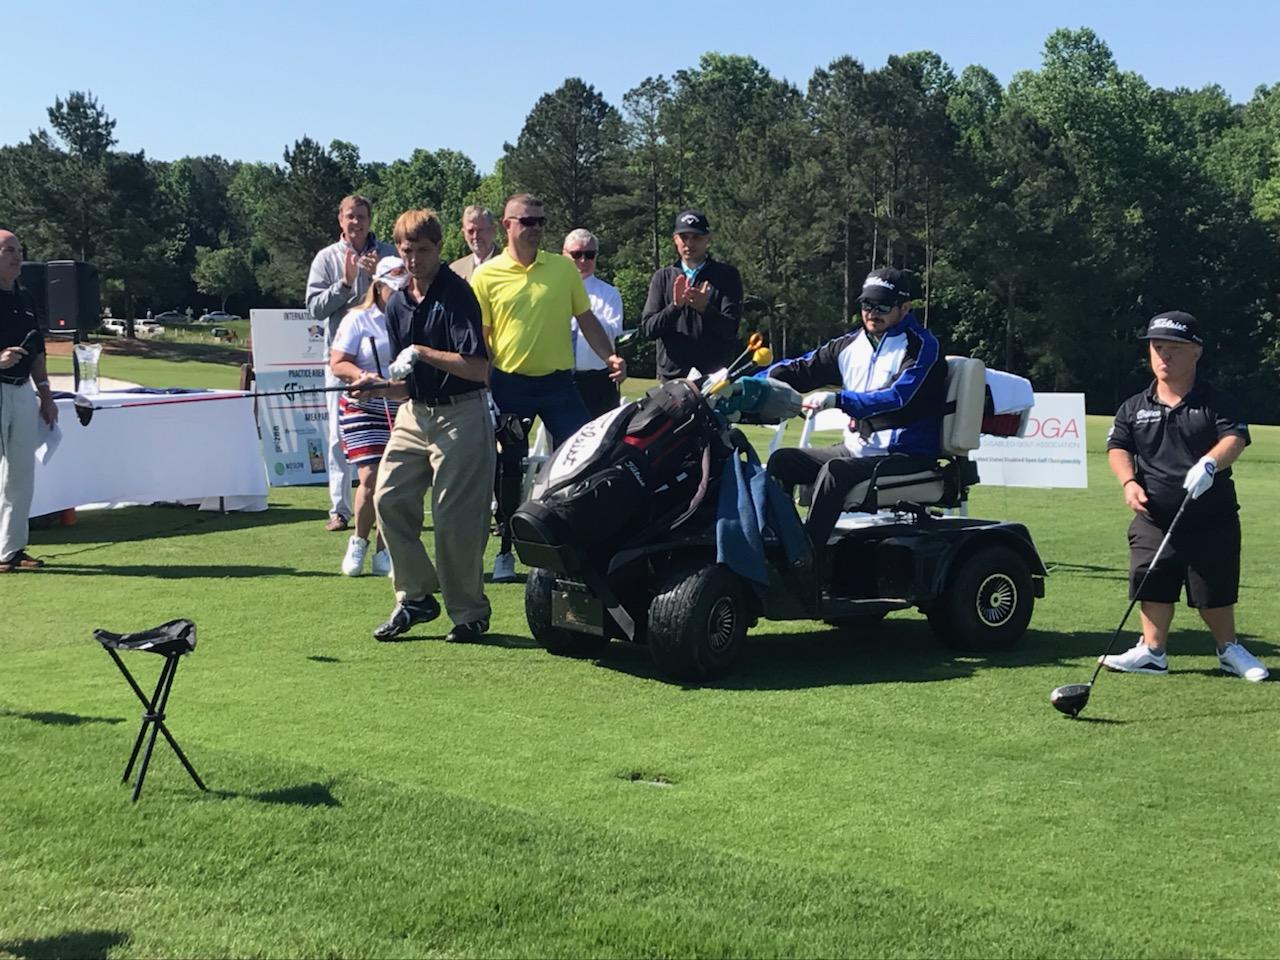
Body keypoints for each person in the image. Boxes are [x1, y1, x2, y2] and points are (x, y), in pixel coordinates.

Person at [1101, 311, 1267, 681]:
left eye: (1174, 347)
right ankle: (1152, 652)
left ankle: (1229, 650)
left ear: (1196, 351)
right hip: (1154, 516)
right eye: (1158, 347)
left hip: (1210, 516)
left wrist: (1209, 463)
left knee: (1213, 588)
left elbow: (1234, 438)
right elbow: (1118, 446)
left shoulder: (1217, 401)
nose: (1164, 355)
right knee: (1151, 580)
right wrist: (1129, 482)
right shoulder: (1134, 406)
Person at [470, 194, 625, 583]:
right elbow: (481, 339)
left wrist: (609, 356)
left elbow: (587, 320)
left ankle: (578, 542)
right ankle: (506, 550)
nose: (536, 228)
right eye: (528, 221)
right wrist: (484, 387)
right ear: (507, 225)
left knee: (584, 459)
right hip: (509, 385)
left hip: (558, 384)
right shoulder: (486, 275)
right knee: (509, 469)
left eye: (541, 221)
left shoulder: (562, 269)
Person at [358, 209, 494, 644]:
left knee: (455, 518)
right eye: (406, 251)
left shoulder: (457, 294)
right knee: (388, 497)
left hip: (462, 413)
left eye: (423, 250)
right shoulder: (398, 303)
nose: (414, 259)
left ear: (439, 248)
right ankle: (415, 597)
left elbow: (478, 368)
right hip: (414, 414)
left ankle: (469, 613)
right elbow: (406, 383)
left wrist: (421, 351)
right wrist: (378, 387)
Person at [763, 268, 947, 555]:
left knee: (835, 471)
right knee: (783, 461)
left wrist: (839, 400)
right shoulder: (850, 345)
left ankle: (807, 559)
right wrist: (744, 383)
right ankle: (781, 544)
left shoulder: (922, 346)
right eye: (867, 305)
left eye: (883, 306)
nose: (872, 313)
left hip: (905, 454)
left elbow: (899, 396)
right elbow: (799, 370)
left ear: (904, 308)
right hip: (858, 450)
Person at [305, 194, 396, 533]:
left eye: (361, 216)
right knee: (336, 437)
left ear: (370, 220)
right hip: (342, 359)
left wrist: (376, 280)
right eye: (350, 216)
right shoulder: (326, 257)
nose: (356, 222)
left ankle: (381, 504)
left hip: (383, 360)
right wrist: (344, 283)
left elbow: (403, 297)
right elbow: (315, 309)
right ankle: (339, 510)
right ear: (340, 220)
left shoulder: (387, 253)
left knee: (389, 433)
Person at [329, 256, 409, 578]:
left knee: (393, 482)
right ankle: (359, 541)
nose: (399, 293)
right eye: (393, 288)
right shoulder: (358, 319)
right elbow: (338, 363)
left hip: (399, 404)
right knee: (371, 477)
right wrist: (362, 376)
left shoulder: (410, 316)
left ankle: (383, 551)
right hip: (362, 404)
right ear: (378, 286)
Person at [0, 228, 58, 574]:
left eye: (19, 250)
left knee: (21, 472)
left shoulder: (25, 298)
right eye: (8, 250)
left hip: (22, 391)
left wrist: (46, 395)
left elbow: (38, 351)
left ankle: (10, 550)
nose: (17, 256)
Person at [639, 209, 742, 382]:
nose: (689, 243)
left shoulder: (727, 276)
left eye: (696, 237)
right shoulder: (662, 277)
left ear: (708, 238)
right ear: (675, 239)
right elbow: (649, 329)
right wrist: (675, 307)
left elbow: (731, 329)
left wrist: (705, 308)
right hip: (672, 377)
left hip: (713, 377)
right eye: (684, 237)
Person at [564, 228, 624, 419]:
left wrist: (583, 314)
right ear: (564, 255)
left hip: (598, 380)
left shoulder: (609, 293)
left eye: (589, 255)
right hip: (561, 379)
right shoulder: (553, 292)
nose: (583, 261)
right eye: (576, 254)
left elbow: (613, 332)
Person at [448, 205, 500, 283]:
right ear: (464, 234)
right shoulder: (455, 271)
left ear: (493, 230)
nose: (475, 236)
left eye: (480, 230)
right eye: (471, 231)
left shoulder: (509, 265)